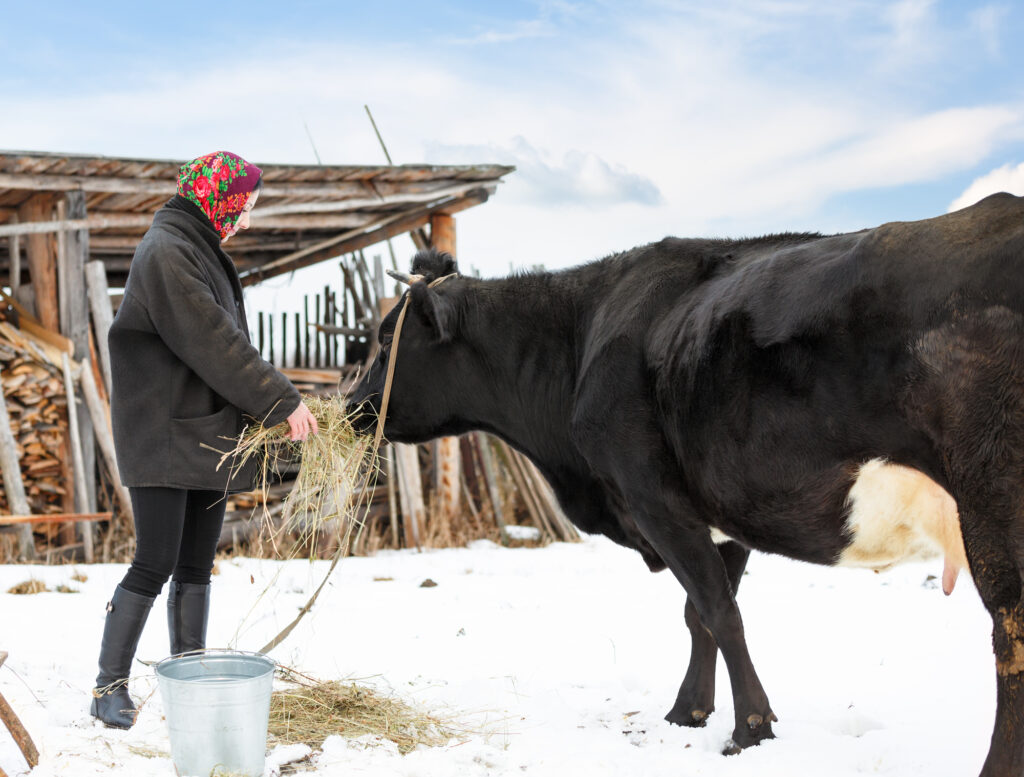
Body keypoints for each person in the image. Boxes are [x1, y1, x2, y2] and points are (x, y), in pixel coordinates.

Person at [90, 151, 318, 729]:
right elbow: (214, 340)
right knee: (154, 562)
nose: (246, 217)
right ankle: (107, 689)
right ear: (218, 197)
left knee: (195, 565)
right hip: (163, 437)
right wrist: (278, 398)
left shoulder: (196, 247)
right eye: (244, 205)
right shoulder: (167, 250)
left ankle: (185, 676)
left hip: (204, 436)